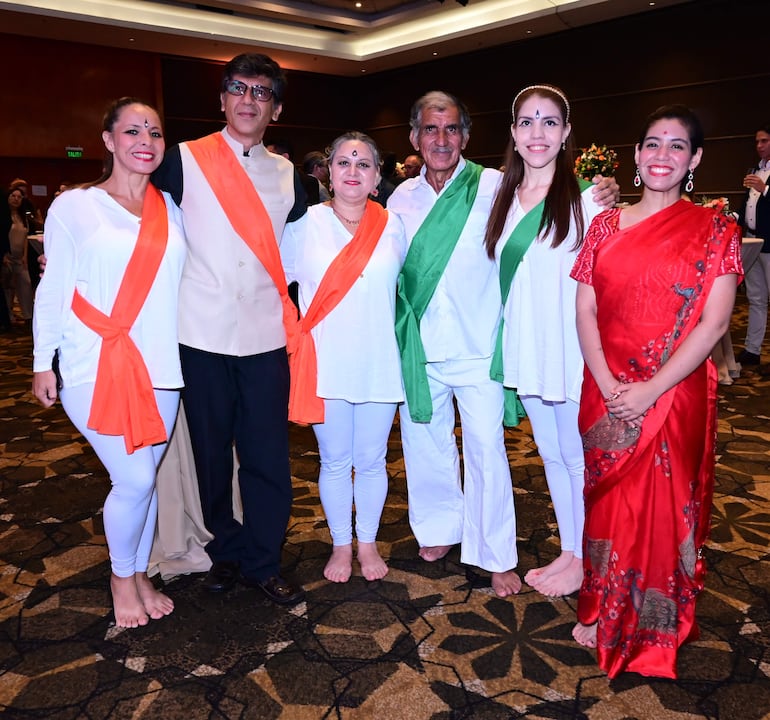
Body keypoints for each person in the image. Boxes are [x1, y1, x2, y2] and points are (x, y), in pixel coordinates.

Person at [388, 91, 617, 597]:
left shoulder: (494, 185)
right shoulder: (399, 198)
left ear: (467, 137)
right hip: (422, 345)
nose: (441, 139)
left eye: (452, 129)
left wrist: (604, 188)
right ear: (414, 138)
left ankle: (495, 554)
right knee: (425, 443)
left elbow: (557, 205)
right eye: (430, 129)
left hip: (482, 342)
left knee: (487, 451)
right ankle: (439, 528)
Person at [570, 105, 742, 678]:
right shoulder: (604, 225)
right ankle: (603, 604)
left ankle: (652, 619)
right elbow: (585, 309)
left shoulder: (716, 229)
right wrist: (607, 381)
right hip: (606, 385)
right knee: (609, 499)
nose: (661, 155)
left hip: (674, 390)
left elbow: (715, 324)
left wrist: (649, 390)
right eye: (651, 144)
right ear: (637, 155)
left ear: (694, 159)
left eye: (676, 146)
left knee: (662, 503)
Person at [151, 53, 307, 606]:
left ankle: (264, 561)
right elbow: (137, 219)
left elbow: (306, 251)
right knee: (211, 455)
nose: (248, 100)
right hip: (201, 335)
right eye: (238, 88)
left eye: (261, 92)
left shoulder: (289, 175)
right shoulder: (182, 160)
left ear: (275, 109)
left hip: (265, 337)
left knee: (268, 457)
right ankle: (226, 550)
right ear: (222, 99)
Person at [31, 97, 187, 628]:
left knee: (145, 478)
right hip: (95, 359)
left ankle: (139, 573)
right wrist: (42, 360)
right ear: (108, 140)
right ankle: (122, 578)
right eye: (132, 131)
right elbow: (53, 287)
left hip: (161, 363)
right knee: (136, 480)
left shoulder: (172, 209)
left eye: (155, 132)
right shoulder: (76, 206)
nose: (145, 141)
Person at [483, 84, 605, 598]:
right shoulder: (501, 197)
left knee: (578, 457)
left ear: (566, 132)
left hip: (569, 347)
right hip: (526, 344)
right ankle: (571, 551)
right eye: (527, 122)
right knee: (551, 455)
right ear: (513, 133)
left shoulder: (588, 200)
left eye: (550, 122)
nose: (538, 133)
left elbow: (605, 281)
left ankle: (588, 558)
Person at [281, 131, 406, 582]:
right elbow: (271, 284)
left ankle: (367, 542)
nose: (353, 171)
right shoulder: (303, 226)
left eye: (363, 164)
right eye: (344, 163)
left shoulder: (394, 225)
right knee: (334, 460)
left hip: (379, 359)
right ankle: (339, 543)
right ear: (328, 173)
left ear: (376, 177)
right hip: (325, 360)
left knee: (372, 460)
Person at [736, 123, 770, 366]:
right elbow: (747, 204)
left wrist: (764, 189)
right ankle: (752, 350)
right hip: (752, 240)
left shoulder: (762, 178)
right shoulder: (756, 169)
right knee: (756, 298)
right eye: (757, 141)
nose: (759, 145)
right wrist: (733, 219)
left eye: (764, 141)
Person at [2, 187, 34, 324]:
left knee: (25, 284)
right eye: (13, 196)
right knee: (8, 287)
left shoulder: (22, 217)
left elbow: (25, 237)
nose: (16, 199)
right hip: (7, 256)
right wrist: (3, 255)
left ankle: (28, 315)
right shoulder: (4, 216)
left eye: (19, 197)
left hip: (20, 257)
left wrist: (25, 256)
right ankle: (9, 316)